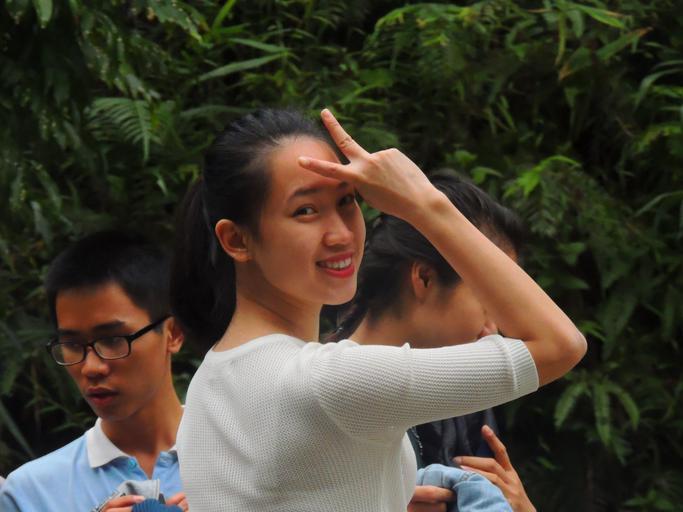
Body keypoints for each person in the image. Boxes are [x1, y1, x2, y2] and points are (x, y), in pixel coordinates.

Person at [172, 108, 586, 511]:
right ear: (237, 240)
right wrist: (423, 203)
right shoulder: (326, 380)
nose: (340, 234)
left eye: (347, 201)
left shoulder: (206, 386)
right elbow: (559, 344)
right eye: (306, 210)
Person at [332, 173, 536, 511]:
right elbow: (561, 345)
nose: (493, 331)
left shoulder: (467, 401)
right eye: (489, 304)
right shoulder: (323, 388)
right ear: (425, 277)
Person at [0, 231, 188, 512]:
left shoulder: (243, 459)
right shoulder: (30, 493)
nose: (91, 367)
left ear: (173, 333)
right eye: (72, 344)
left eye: (113, 340)